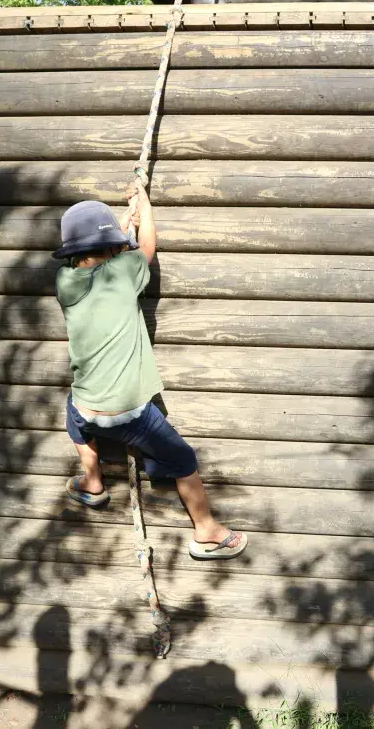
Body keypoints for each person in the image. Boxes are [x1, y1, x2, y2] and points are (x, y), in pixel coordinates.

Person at [54, 180, 248, 560]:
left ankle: (93, 483)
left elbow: (102, 262)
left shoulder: (64, 281)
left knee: (74, 418)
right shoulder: (125, 271)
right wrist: (143, 203)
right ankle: (207, 531)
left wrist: (119, 227)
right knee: (183, 461)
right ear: (112, 248)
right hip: (130, 414)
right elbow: (146, 247)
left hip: (86, 406)